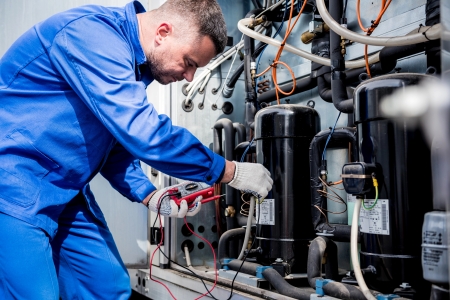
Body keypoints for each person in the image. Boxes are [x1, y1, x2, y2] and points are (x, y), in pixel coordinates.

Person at [0, 0, 273, 299]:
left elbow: (114, 145)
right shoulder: (92, 34)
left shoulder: (129, 64)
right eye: (190, 62)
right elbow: (143, 132)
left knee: (107, 287)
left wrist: (149, 194)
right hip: (13, 186)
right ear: (163, 32)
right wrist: (229, 171)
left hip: (62, 191)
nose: (190, 76)